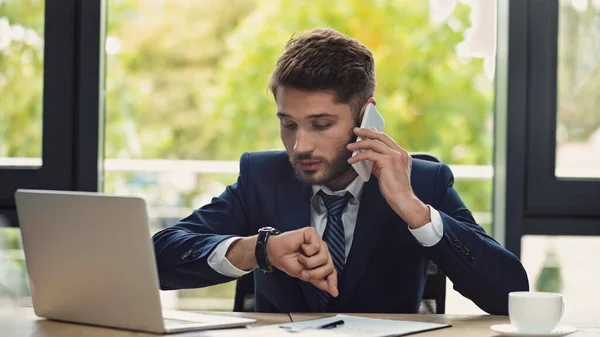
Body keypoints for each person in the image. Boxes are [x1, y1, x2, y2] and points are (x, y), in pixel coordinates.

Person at [152, 27, 529, 314]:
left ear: (365, 115)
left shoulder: (422, 181)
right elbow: (158, 259)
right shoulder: (263, 177)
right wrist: (260, 249)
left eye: (320, 124)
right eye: (288, 124)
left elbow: (511, 293)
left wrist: (415, 211)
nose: (300, 146)